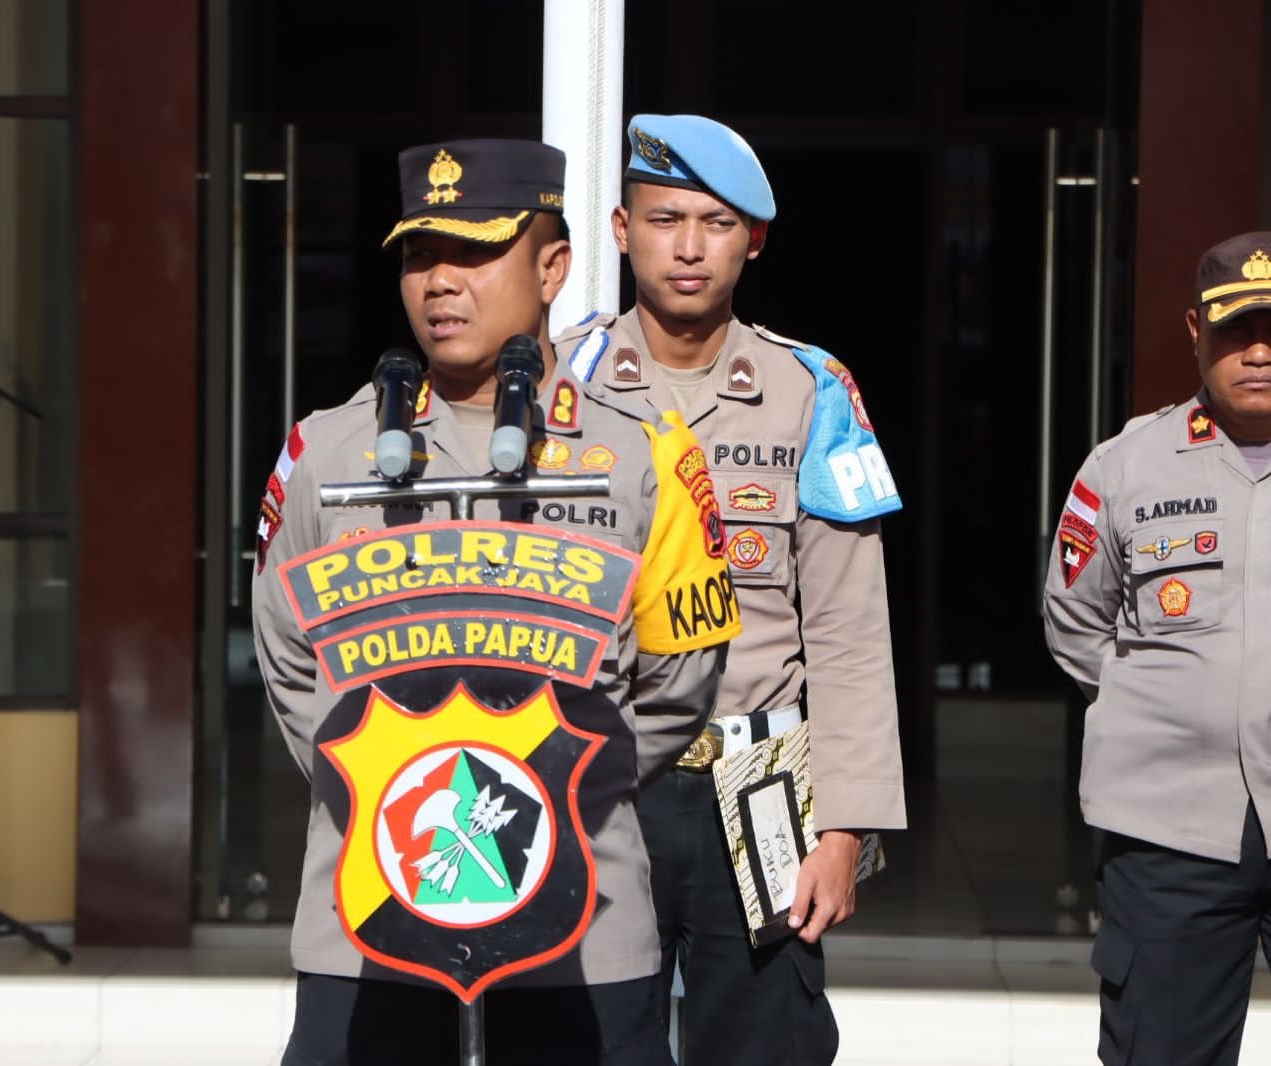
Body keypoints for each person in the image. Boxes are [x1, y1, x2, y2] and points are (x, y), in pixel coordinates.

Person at [251, 137, 742, 1066]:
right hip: (372, 920)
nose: (440, 282)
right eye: (418, 256)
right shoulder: (327, 454)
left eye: (473, 253)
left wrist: (551, 785)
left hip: (580, 927)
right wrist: (396, 785)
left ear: (552, 269)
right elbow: (287, 663)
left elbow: (681, 682)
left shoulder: (646, 458)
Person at [556, 114, 908, 1065]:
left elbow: (848, 629)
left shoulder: (811, 391)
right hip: (602, 775)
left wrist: (846, 829)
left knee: (767, 1041)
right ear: (622, 230)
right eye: (665, 219)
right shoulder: (559, 385)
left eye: (716, 223)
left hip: (761, 781)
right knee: (587, 1037)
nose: (688, 247)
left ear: (754, 240)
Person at [1043, 230, 1271, 1066]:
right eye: (1238, 330)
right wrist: (1165, 710)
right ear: (1196, 331)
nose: (1259, 352)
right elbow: (1074, 621)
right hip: (1170, 833)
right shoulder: (1126, 466)